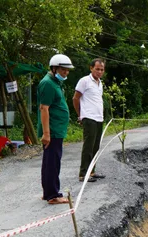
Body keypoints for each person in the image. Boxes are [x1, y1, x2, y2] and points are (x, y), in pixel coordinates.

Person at [38, 54, 74, 205]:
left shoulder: (55, 82)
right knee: (53, 162)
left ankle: (48, 192)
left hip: (56, 129)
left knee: (49, 161)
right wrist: (47, 134)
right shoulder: (48, 83)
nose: (66, 72)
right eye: (63, 69)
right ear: (54, 68)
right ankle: (53, 195)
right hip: (52, 131)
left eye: (67, 70)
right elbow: (44, 108)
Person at [73, 59, 106, 182]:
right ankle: (83, 174)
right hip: (89, 117)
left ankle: (91, 171)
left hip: (98, 118)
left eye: (102, 69)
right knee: (88, 146)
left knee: (96, 146)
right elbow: (75, 99)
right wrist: (80, 115)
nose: (99, 72)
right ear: (91, 68)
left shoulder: (100, 83)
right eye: (97, 69)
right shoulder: (84, 81)